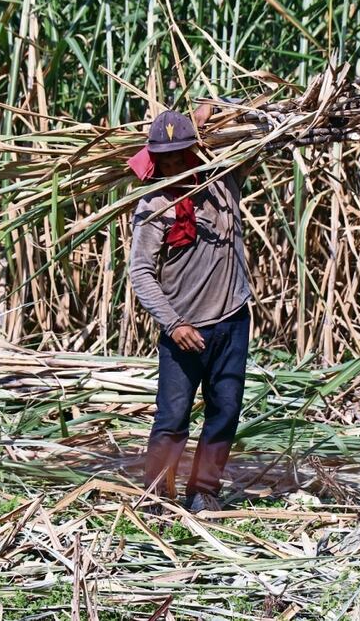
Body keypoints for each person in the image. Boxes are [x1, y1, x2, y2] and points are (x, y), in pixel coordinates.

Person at [127, 105, 251, 513]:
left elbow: (252, 135)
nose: (172, 166)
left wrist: (207, 117)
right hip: (184, 331)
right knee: (173, 417)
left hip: (232, 320)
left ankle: (204, 491)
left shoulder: (223, 182)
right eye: (164, 159)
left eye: (179, 156)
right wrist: (173, 323)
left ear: (194, 150)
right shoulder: (153, 206)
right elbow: (141, 273)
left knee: (225, 411)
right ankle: (156, 496)